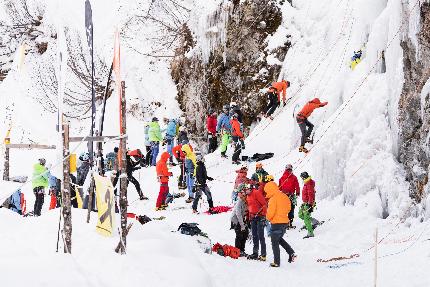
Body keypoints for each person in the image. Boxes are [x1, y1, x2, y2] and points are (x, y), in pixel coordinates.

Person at [264, 181, 296, 267]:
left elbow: (271, 212)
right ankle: (291, 252)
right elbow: (289, 208)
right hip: (284, 222)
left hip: (276, 223)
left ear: (270, 189)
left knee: (274, 242)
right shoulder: (284, 196)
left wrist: (267, 219)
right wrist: (282, 213)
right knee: (279, 239)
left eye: (267, 191)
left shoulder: (273, 199)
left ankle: (276, 262)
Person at [246, 183, 267, 261]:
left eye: (246, 190)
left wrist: (263, 215)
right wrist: (249, 217)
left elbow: (264, 204)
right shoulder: (248, 196)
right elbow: (249, 207)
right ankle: (255, 253)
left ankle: (263, 255)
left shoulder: (256, 193)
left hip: (260, 217)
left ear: (250, 189)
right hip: (253, 217)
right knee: (254, 235)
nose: (245, 191)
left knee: (261, 236)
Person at [230, 190, 249, 256]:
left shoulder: (245, 201)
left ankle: (242, 250)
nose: (245, 197)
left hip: (242, 219)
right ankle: (237, 250)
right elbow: (238, 215)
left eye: (245, 195)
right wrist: (242, 225)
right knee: (239, 235)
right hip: (236, 220)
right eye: (243, 195)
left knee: (245, 234)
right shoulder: (239, 202)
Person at [299, 171, 316, 239]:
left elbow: (311, 195)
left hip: (308, 203)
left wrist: (310, 204)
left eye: (302, 177)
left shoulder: (309, 184)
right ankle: (315, 222)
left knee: (306, 218)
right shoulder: (306, 183)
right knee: (300, 214)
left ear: (304, 177)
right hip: (305, 203)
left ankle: (310, 233)